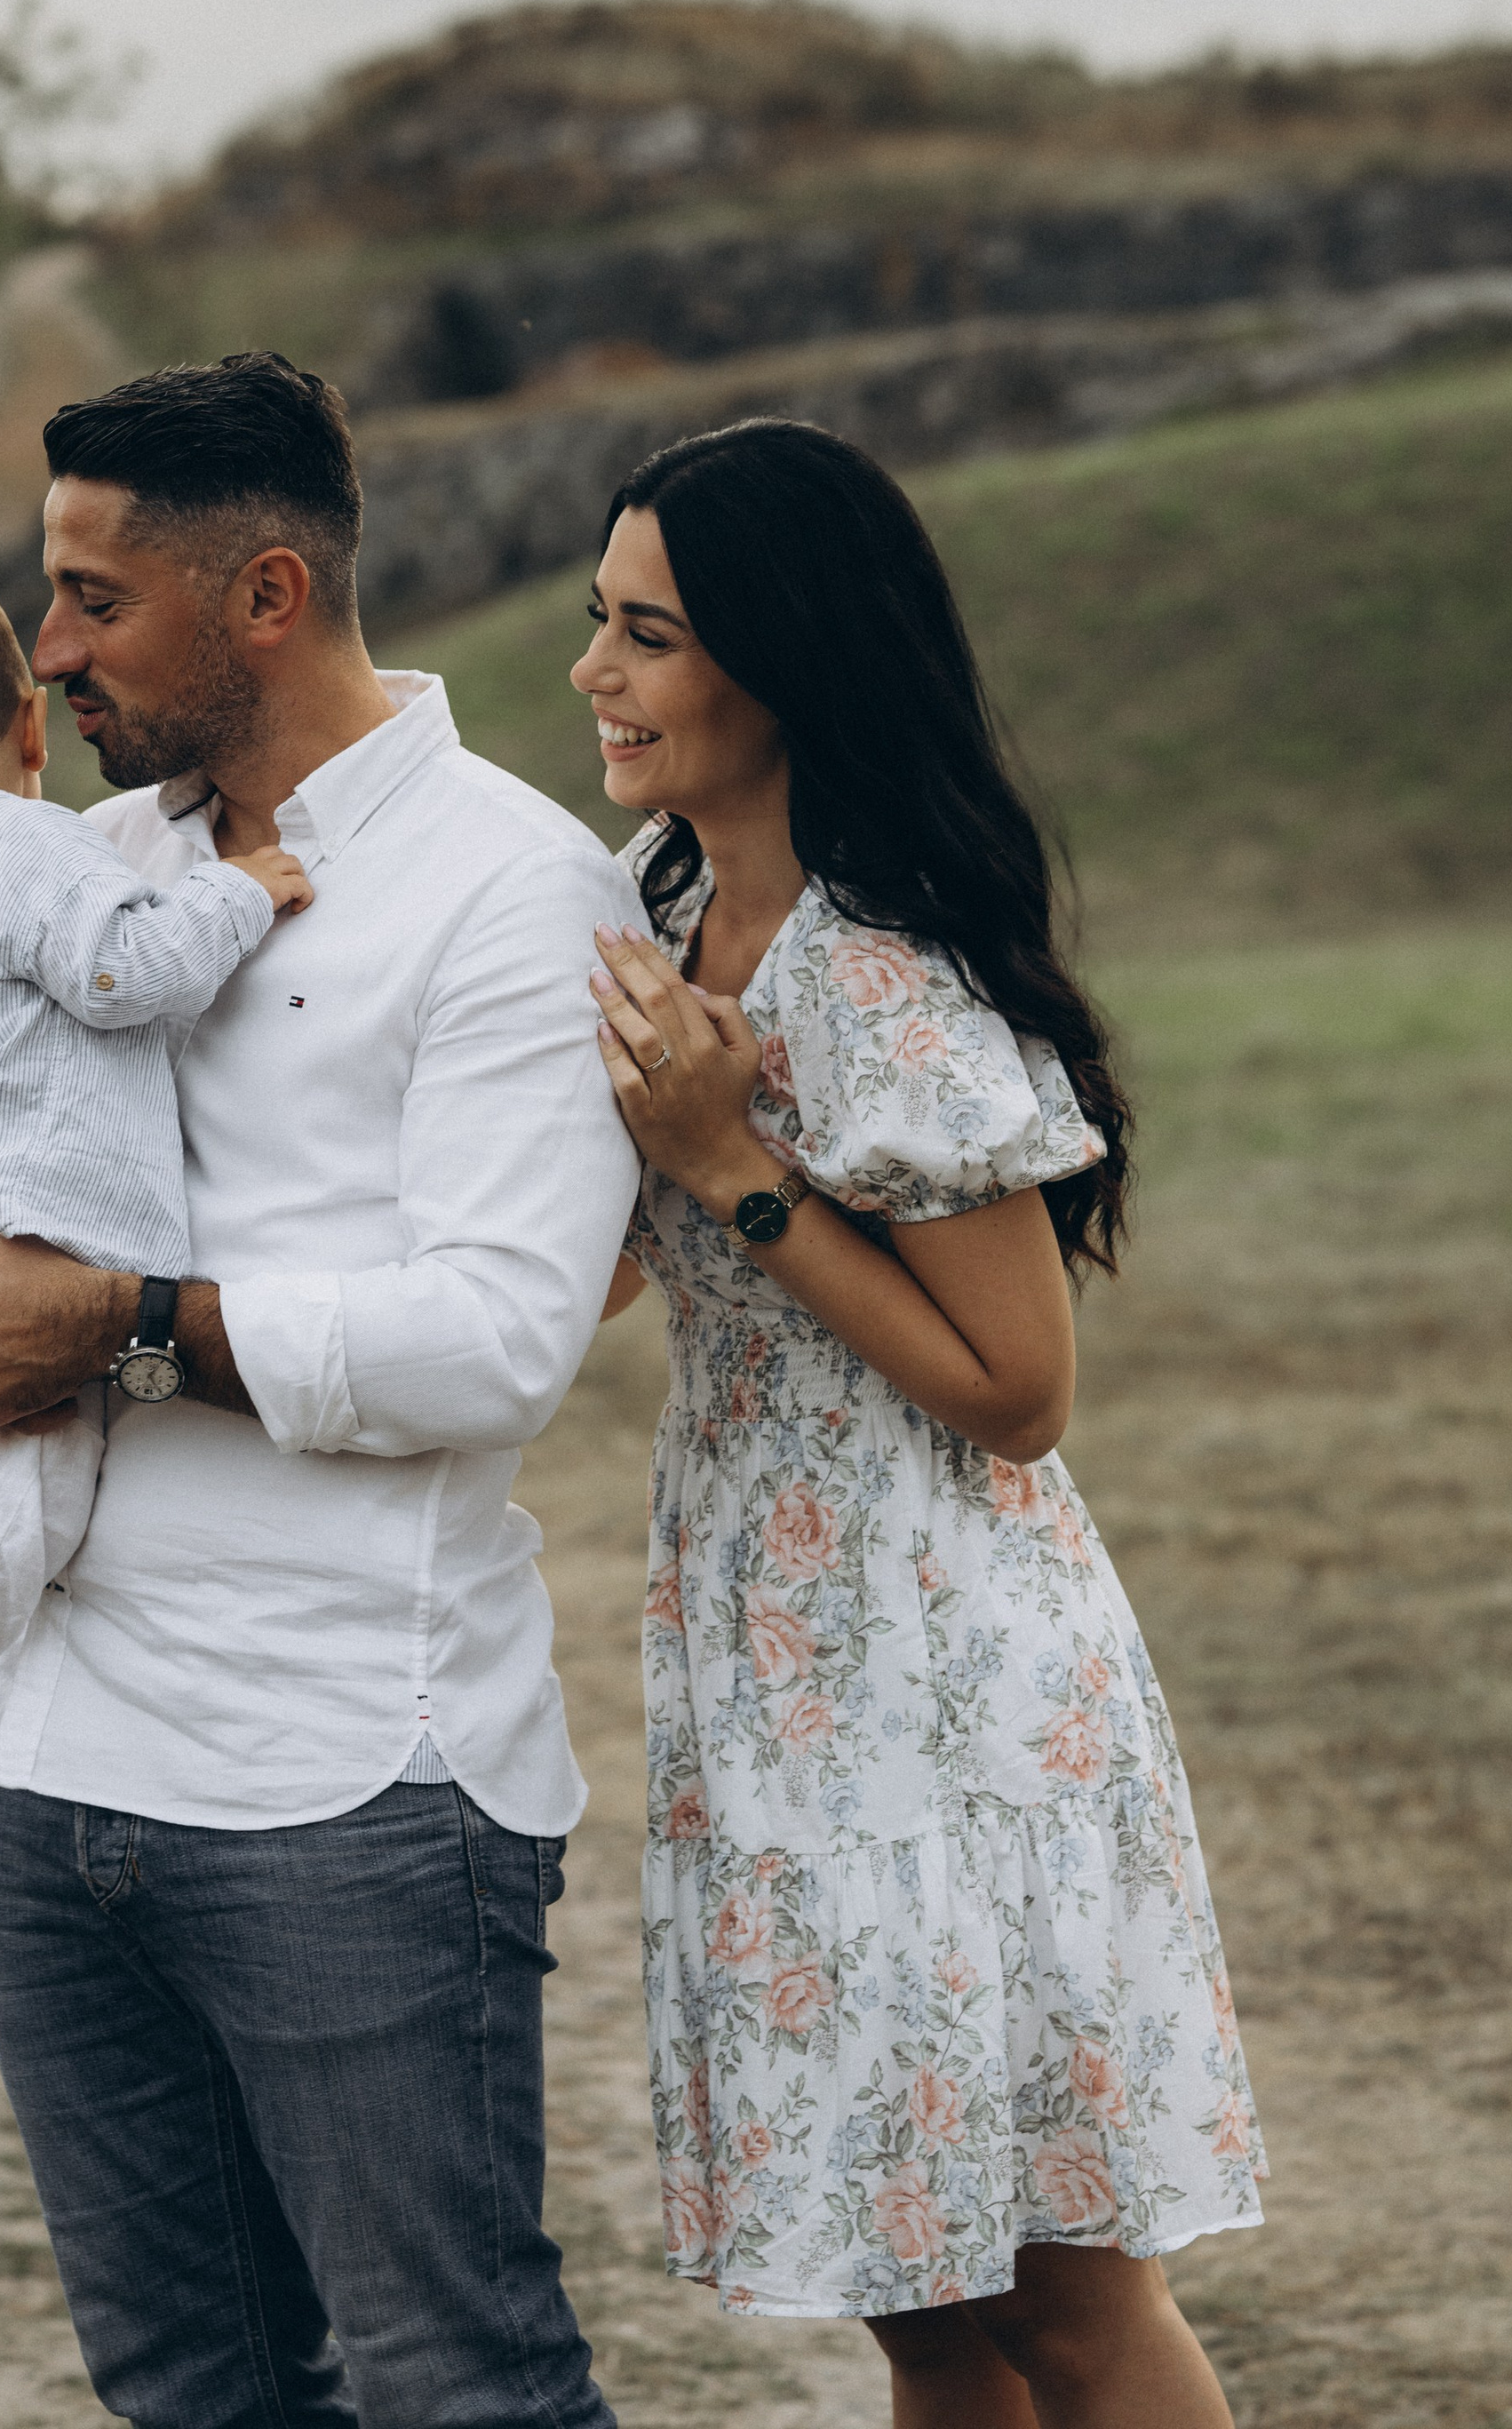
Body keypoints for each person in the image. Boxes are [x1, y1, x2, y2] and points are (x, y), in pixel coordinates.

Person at [0, 352, 643, 2429]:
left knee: (454, 2384)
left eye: (97, 599)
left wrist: (112, 1321)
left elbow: (487, 1342)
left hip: (347, 1786)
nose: (46, 651)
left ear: (264, 597)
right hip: (54, 1761)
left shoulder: (508, 889)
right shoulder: (82, 866)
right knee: (185, 2389)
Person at [573, 418, 1262, 2428]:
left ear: (782, 663)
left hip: (946, 1681)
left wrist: (729, 1166)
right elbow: (616, 1260)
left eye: (648, 638)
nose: (596, 678)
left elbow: (1017, 1394)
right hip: (761, 1669)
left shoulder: (885, 981)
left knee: (1058, 2294)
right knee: (919, 2299)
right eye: (598, 627)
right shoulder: (659, 898)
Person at [0, 559, 311, 1886]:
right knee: (39, 1456)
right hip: (32, 1227)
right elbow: (123, 971)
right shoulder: (23, 844)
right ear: (31, 726)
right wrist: (248, 890)